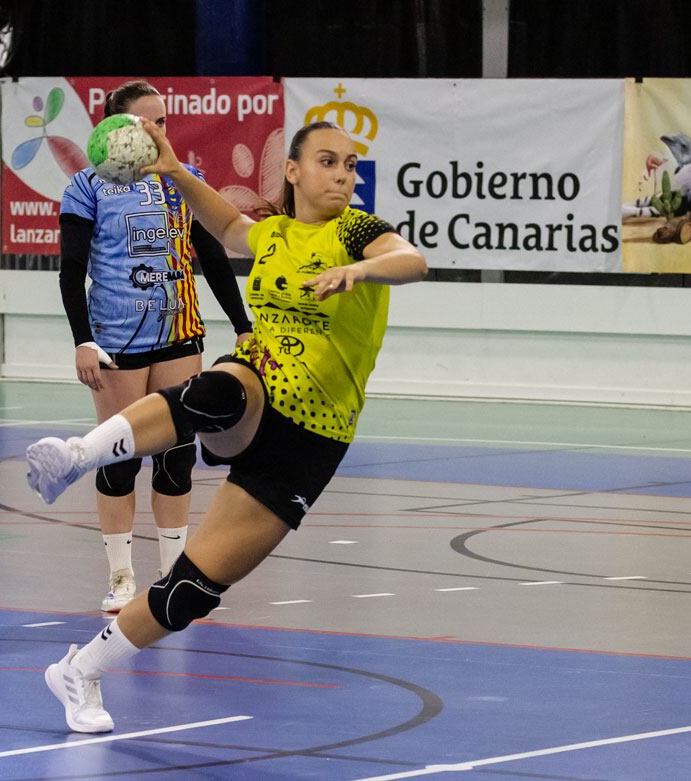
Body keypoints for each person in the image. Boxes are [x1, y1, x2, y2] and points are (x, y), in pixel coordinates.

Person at [28, 119, 428, 733]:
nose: (343, 175)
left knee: (193, 590)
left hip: (313, 439)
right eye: (328, 161)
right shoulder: (272, 235)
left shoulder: (357, 233)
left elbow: (411, 260)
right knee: (218, 390)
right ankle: (79, 456)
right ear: (293, 171)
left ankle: (81, 672)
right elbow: (227, 224)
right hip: (262, 386)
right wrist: (173, 168)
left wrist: (363, 271)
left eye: (351, 165)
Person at [57, 80, 252, 612]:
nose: (159, 131)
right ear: (116, 130)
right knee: (118, 459)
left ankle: (175, 575)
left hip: (178, 336)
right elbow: (72, 271)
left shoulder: (185, 182)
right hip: (117, 342)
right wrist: (83, 342)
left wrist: (242, 323)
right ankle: (121, 578)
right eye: (148, 123)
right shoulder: (86, 187)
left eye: (164, 122)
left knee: (175, 457)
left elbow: (212, 258)